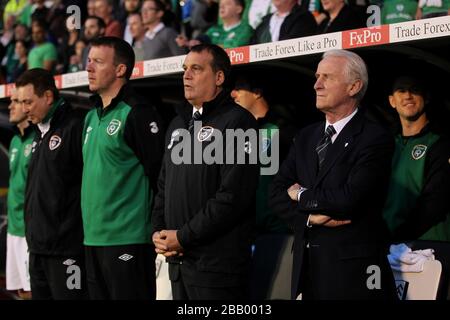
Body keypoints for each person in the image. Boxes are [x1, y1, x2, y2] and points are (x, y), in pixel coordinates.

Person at [270, 49, 397, 300]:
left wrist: (301, 195)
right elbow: (275, 195)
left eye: (327, 77)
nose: (317, 84)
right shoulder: (306, 136)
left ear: (354, 87)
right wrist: (309, 220)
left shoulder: (375, 138)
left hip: (355, 277)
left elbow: (350, 198)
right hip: (307, 272)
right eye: (317, 76)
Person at [152, 43, 259, 300]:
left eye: (196, 69)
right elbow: (163, 188)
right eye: (185, 69)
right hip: (177, 262)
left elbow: (233, 197)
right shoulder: (178, 123)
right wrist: (158, 232)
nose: (186, 76)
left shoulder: (240, 122)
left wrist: (184, 237)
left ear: (219, 77)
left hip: (217, 269)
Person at [82, 36, 164, 300]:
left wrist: (158, 226)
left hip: (128, 239)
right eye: (89, 60)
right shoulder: (90, 115)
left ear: (120, 70)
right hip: (92, 239)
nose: (89, 67)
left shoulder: (138, 112)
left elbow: (159, 175)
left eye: (98, 61)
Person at [16, 68, 87, 300]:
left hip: (66, 250)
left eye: (28, 101)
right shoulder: (39, 132)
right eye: (21, 102)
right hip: (38, 248)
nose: (24, 108)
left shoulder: (74, 126)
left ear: (47, 97)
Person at [383, 75, 450, 242]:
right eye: (401, 91)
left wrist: (400, 235)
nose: (408, 96)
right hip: (387, 241)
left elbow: (435, 202)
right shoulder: (385, 144)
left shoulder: (440, 142)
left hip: (429, 243)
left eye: (414, 90)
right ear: (392, 101)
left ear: (426, 98)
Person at [231, 74, 293, 234]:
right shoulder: (237, 130)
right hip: (245, 228)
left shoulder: (283, 128)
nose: (233, 94)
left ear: (257, 92)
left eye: (239, 88)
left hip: (279, 228)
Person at [6, 90, 34, 299]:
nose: (11, 106)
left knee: (33, 290)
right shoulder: (15, 141)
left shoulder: (37, 139)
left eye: (16, 101)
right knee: (20, 291)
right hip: (13, 228)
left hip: (29, 229)